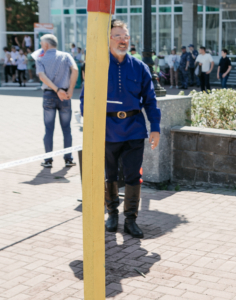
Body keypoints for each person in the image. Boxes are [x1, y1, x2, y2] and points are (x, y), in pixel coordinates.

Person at [79, 19, 160, 239]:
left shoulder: (140, 67)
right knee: (110, 174)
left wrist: (155, 126)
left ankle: (131, 220)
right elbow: (86, 99)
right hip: (107, 130)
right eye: (118, 36)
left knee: (134, 175)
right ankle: (112, 215)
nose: (123, 41)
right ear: (108, 39)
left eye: (125, 37)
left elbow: (150, 100)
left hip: (134, 129)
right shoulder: (97, 65)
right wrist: (89, 127)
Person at [35, 34, 78, 169]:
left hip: (49, 95)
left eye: (42, 44)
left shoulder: (40, 58)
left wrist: (55, 89)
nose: (41, 46)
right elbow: (75, 69)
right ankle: (68, 159)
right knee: (67, 129)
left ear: (46, 45)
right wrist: (70, 89)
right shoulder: (66, 55)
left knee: (49, 129)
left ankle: (48, 160)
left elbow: (42, 76)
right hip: (65, 95)